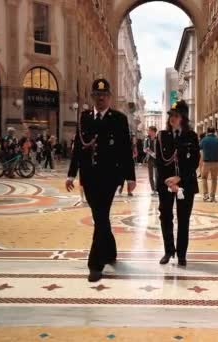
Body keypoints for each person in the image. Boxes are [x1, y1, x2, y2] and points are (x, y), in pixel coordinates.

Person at [65, 78, 135, 282]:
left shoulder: (119, 119)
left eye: (104, 95)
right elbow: (78, 147)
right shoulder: (84, 117)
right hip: (89, 177)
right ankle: (110, 251)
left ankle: (95, 264)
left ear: (110, 97)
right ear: (92, 97)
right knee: (100, 217)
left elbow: (125, 150)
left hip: (110, 177)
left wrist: (130, 176)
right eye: (97, 95)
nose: (101, 98)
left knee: (101, 215)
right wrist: (71, 174)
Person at [155, 100, 199, 267]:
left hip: (186, 183)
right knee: (165, 217)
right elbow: (160, 162)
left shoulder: (191, 136)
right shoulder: (162, 136)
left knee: (183, 219)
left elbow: (194, 162)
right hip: (166, 183)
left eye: (176, 115)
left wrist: (179, 179)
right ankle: (168, 251)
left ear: (183, 118)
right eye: (171, 116)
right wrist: (169, 182)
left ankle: (181, 254)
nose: (172, 118)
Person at [199, 127, 218, 202]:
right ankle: (212, 196)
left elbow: (199, 147)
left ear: (207, 131)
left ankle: (206, 195)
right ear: (214, 131)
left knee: (204, 178)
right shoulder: (217, 139)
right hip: (216, 162)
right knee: (214, 179)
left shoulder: (204, 140)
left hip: (206, 162)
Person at [144, 126, 158, 196]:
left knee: (157, 175)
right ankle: (153, 190)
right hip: (150, 159)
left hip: (157, 159)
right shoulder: (147, 139)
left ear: (153, 131)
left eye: (149, 130)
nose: (148, 132)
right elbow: (144, 149)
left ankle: (156, 189)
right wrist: (151, 153)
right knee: (150, 175)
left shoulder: (158, 139)